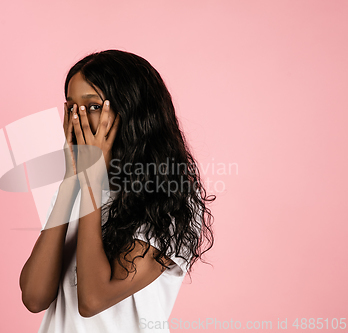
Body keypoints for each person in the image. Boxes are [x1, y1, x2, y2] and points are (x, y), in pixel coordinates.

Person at [19, 50, 215, 333]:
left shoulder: (171, 201)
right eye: (72, 108)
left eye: (94, 107)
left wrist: (90, 184)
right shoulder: (73, 189)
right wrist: (68, 184)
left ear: (131, 111)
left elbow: (93, 299)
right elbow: (35, 297)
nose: (79, 120)